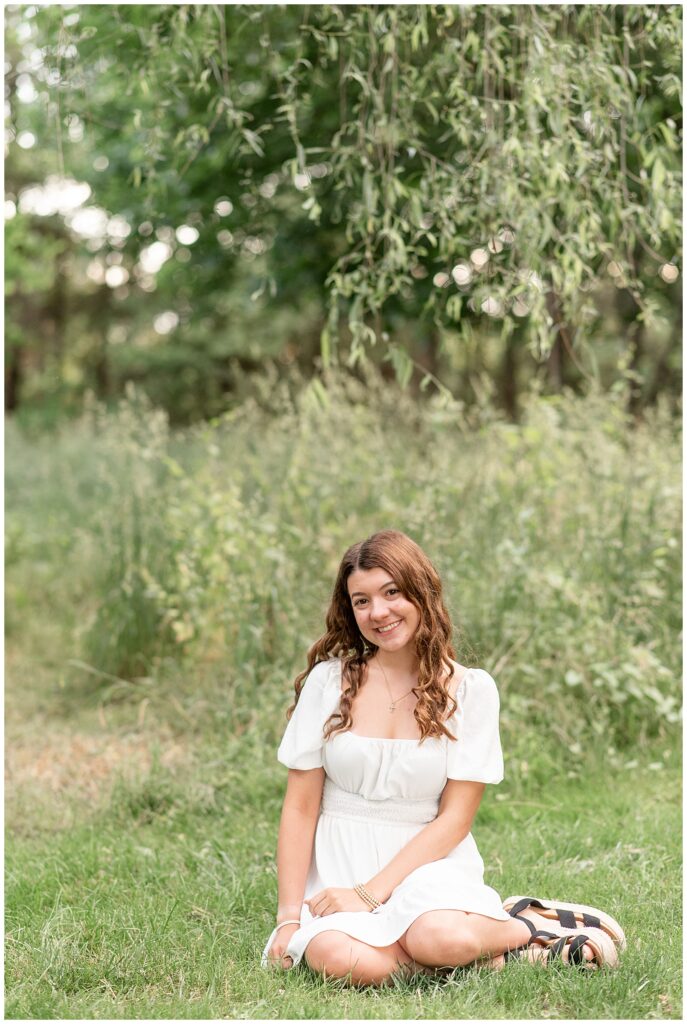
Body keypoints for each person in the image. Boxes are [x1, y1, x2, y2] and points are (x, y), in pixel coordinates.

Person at [262, 530, 624, 985]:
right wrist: (288, 918)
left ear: (421, 591)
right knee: (334, 955)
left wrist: (370, 894)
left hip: (428, 866)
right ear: (349, 610)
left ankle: (528, 923)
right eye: (361, 601)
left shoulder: (470, 691)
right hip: (340, 864)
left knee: (439, 939)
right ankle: (512, 957)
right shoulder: (327, 683)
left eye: (392, 592)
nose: (379, 612)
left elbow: (455, 819)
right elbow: (299, 807)